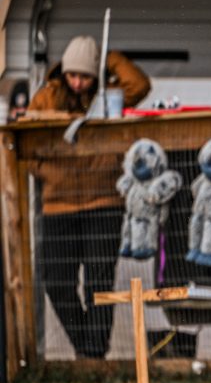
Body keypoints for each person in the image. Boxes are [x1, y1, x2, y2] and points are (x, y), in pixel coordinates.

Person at [25, 35, 152, 357]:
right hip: (58, 204)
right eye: (72, 75)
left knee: (98, 282)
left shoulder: (109, 96)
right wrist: (45, 171)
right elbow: (25, 139)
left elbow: (140, 85)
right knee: (56, 281)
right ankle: (86, 349)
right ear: (63, 72)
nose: (78, 82)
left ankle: (95, 355)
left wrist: (106, 58)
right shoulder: (47, 96)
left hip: (103, 202)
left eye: (85, 75)